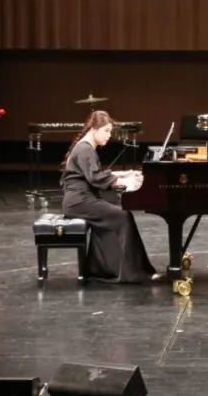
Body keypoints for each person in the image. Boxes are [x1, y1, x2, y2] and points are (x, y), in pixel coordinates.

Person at [61, 110, 156, 283]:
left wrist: (126, 173)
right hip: (80, 202)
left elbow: (95, 173)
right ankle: (134, 272)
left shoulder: (85, 147)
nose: (109, 135)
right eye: (106, 131)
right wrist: (125, 182)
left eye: (110, 131)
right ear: (94, 129)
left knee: (115, 216)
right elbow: (96, 178)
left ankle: (101, 269)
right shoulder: (85, 149)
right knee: (123, 216)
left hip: (82, 199)